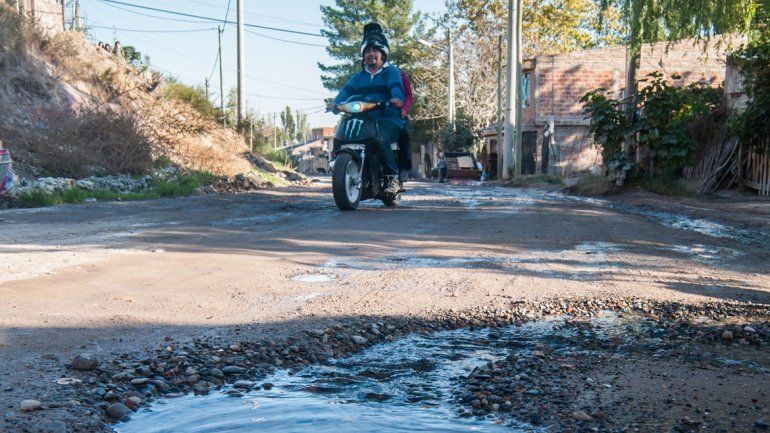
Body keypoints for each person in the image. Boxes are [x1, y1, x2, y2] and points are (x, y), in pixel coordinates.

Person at [328, 23, 405, 195]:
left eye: (375, 51)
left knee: (380, 138)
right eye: (367, 51)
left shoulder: (391, 72)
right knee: (343, 131)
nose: (371, 54)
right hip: (365, 118)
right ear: (363, 56)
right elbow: (345, 92)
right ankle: (338, 164)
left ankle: (392, 178)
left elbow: (396, 89)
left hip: (387, 118)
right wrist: (335, 103)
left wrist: (395, 99)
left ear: (383, 54)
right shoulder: (359, 76)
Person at [397, 69, 413, 183]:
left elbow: (408, 94)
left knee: (405, 135)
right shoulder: (365, 74)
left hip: (395, 113)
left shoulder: (398, 73)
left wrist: (404, 109)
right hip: (370, 113)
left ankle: (404, 167)